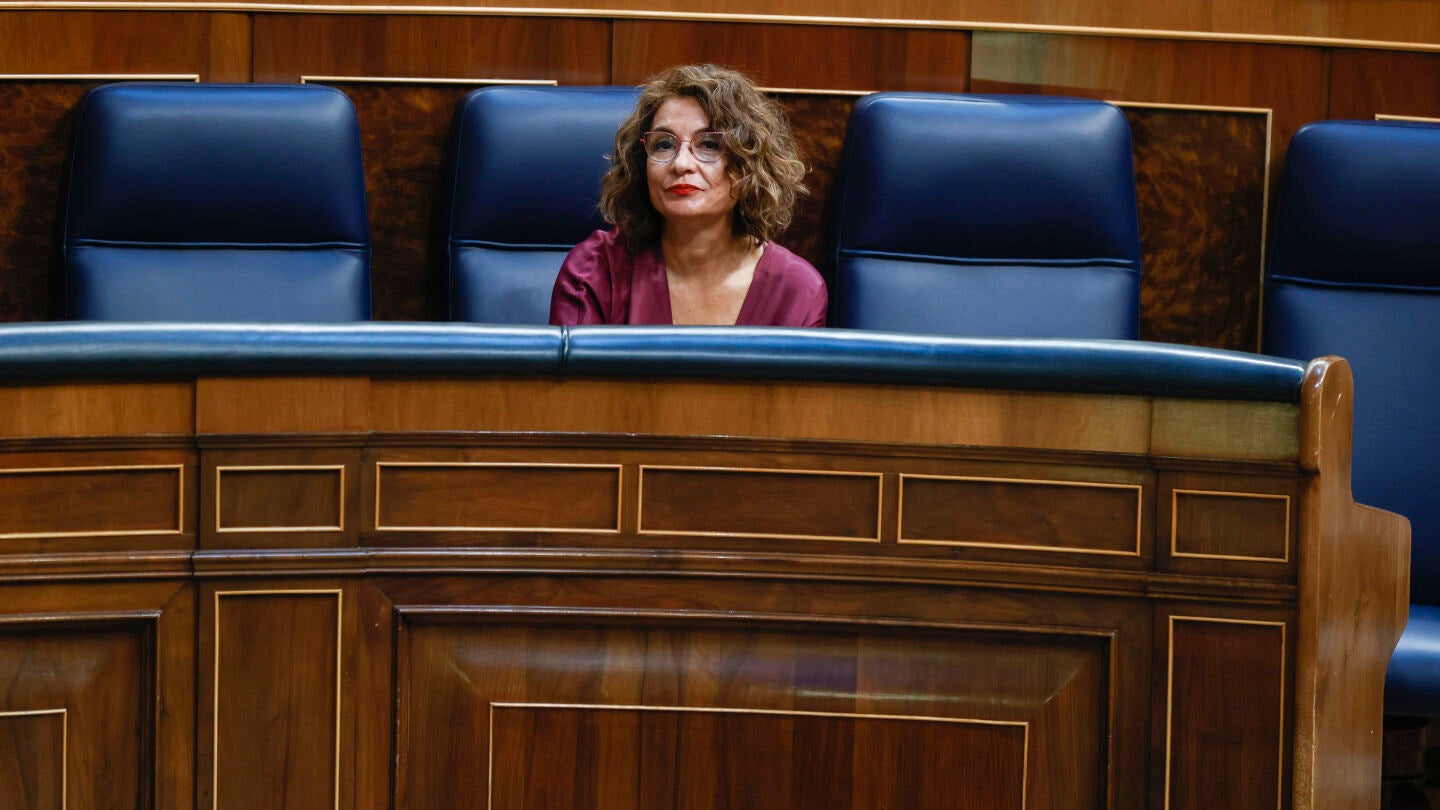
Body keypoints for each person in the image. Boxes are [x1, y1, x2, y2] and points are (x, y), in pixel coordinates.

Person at [549, 64, 827, 327]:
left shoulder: (797, 291)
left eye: (709, 145)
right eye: (664, 145)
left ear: (748, 164)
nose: (681, 164)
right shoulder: (594, 272)